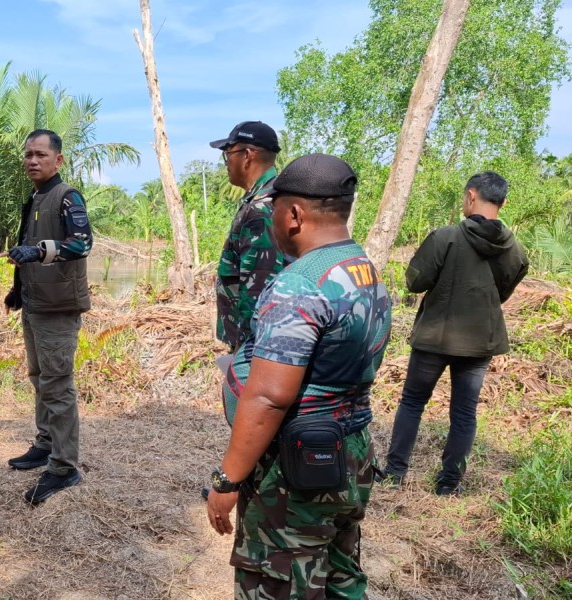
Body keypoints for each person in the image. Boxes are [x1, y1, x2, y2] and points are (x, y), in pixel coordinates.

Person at [206, 154, 392, 599]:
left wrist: (226, 481)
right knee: (341, 577)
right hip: (352, 452)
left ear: (293, 214)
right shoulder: (361, 268)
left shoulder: (299, 285)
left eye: (273, 209)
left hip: (299, 468)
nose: (270, 219)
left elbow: (270, 398)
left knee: (279, 584)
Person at [379, 171, 529, 496]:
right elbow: (502, 292)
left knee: (412, 402)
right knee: (464, 413)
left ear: (471, 196)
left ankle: (394, 473)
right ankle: (449, 484)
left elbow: (415, 282)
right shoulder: (514, 249)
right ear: (502, 202)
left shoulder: (445, 236)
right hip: (479, 342)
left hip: (434, 338)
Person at [4, 129, 92, 505]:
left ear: (58, 160)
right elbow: (28, 248)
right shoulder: (36, 197)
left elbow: (82, 243)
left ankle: (64, 467)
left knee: (57, 385)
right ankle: (44, 444)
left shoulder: (66, 196)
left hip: (58, 307)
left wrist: (38, 253)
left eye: (40, 154)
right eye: (28, 154)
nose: (32, 161)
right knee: (40, 378)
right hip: (36, 302)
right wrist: (16, 287)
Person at [209, 121, 287, 352]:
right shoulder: (266, 198)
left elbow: (258, 289)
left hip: (255, 343)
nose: (226, 163)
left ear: (248, 156)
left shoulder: (261, 208)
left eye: (228, 154)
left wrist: (246, 354)